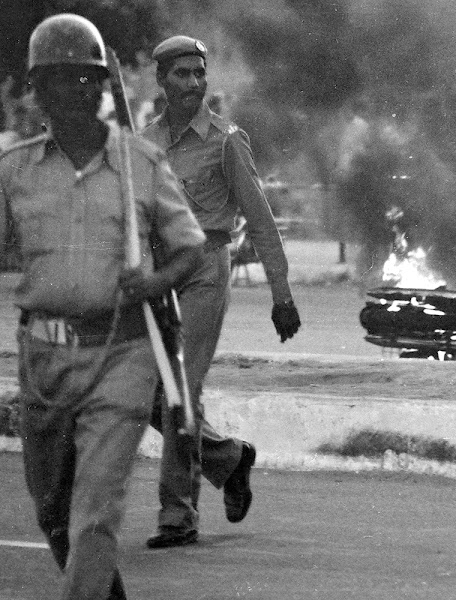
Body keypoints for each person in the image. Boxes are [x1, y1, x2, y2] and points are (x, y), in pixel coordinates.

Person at [0, 14, 205, 599]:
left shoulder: (141, 164)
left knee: (96, 509)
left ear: (98, 88)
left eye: (81, 79)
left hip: (123, 355)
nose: (68, 92)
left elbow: (193, 251)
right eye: (53, 81)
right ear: (36, 91)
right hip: (42, 361)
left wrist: (155, 280)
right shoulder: (13, 172)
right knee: (54, 515)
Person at [141, 35, 302, 549]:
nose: (192, 83)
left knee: (179, 392)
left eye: (199, 73)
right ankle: (229, 459)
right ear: (161, 81)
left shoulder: (226, 139)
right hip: (158, 272)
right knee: (148, 394)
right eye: (181, 74)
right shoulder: (143, 143)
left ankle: (177, 516)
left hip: (207, 268)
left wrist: (282, 293)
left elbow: (260, 219)